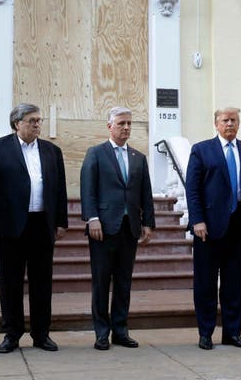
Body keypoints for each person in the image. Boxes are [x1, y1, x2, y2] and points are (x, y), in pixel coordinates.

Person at [0, 103, 68, 353]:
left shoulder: (52, 151)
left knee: (42, 282)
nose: (37, 124)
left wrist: (61, 221)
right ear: (17, 123)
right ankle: (12, 333)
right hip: (10, 226)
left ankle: (41, 334)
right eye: (32, 120)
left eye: (39, 120)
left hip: (42, 224)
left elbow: (60, 190)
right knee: (10, 283)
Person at [185, 107, 241, 350]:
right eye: (225, 120)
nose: (230, 124)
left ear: (239, 123)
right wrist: (197, 220)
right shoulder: (202, 150)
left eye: (234, 120)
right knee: (206, 283)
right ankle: (205, 333)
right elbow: (192, 189)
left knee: (233, 283)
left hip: (237, 224)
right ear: (216, 124)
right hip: (207, 227)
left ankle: (232, 333)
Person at [80, 106, 155, 350]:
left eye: (129, 123)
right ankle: (102, 332)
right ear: (109, 126)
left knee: (123, 282)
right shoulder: (96, 153)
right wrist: (92, 218)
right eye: (121, 123)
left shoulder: (138, 157)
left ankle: (120, 331)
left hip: (129, 228)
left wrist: (148, 223)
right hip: (102, 227)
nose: (126, 127)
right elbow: (88, 188)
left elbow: (146, 194)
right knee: (102, 282)